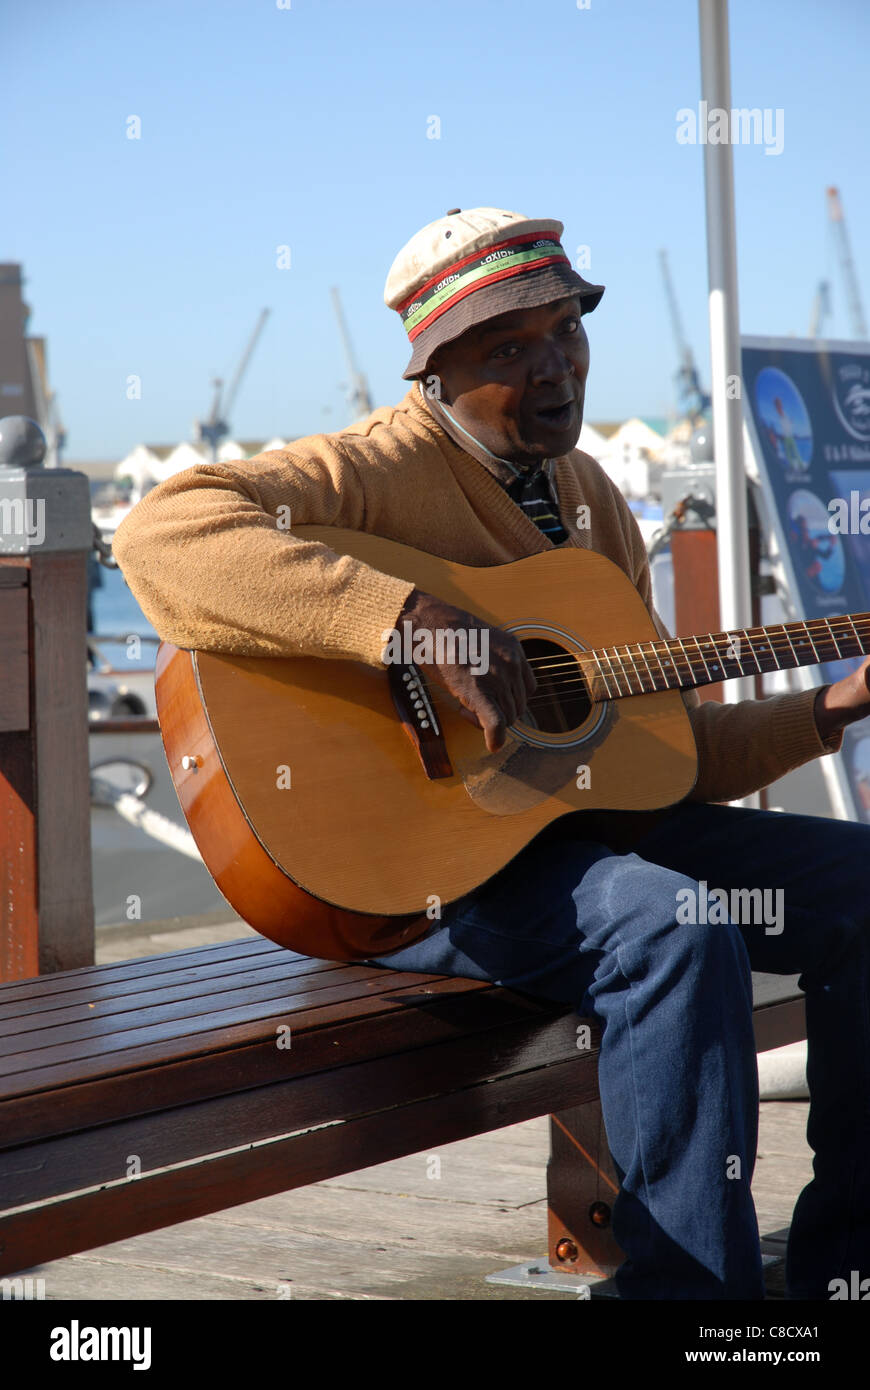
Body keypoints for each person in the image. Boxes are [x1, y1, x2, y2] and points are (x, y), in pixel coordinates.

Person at [112, 207, 870, 1301]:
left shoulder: (594, 502)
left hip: (571, 840)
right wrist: (402, 614)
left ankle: (843, 1263)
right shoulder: (372, 468)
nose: (553, 367)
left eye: (566, 332)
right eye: (507, 349)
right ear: (435, 371)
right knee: (668, 928)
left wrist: (831, 706)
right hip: (410, 873)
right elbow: (158, 537)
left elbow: (660, 752)